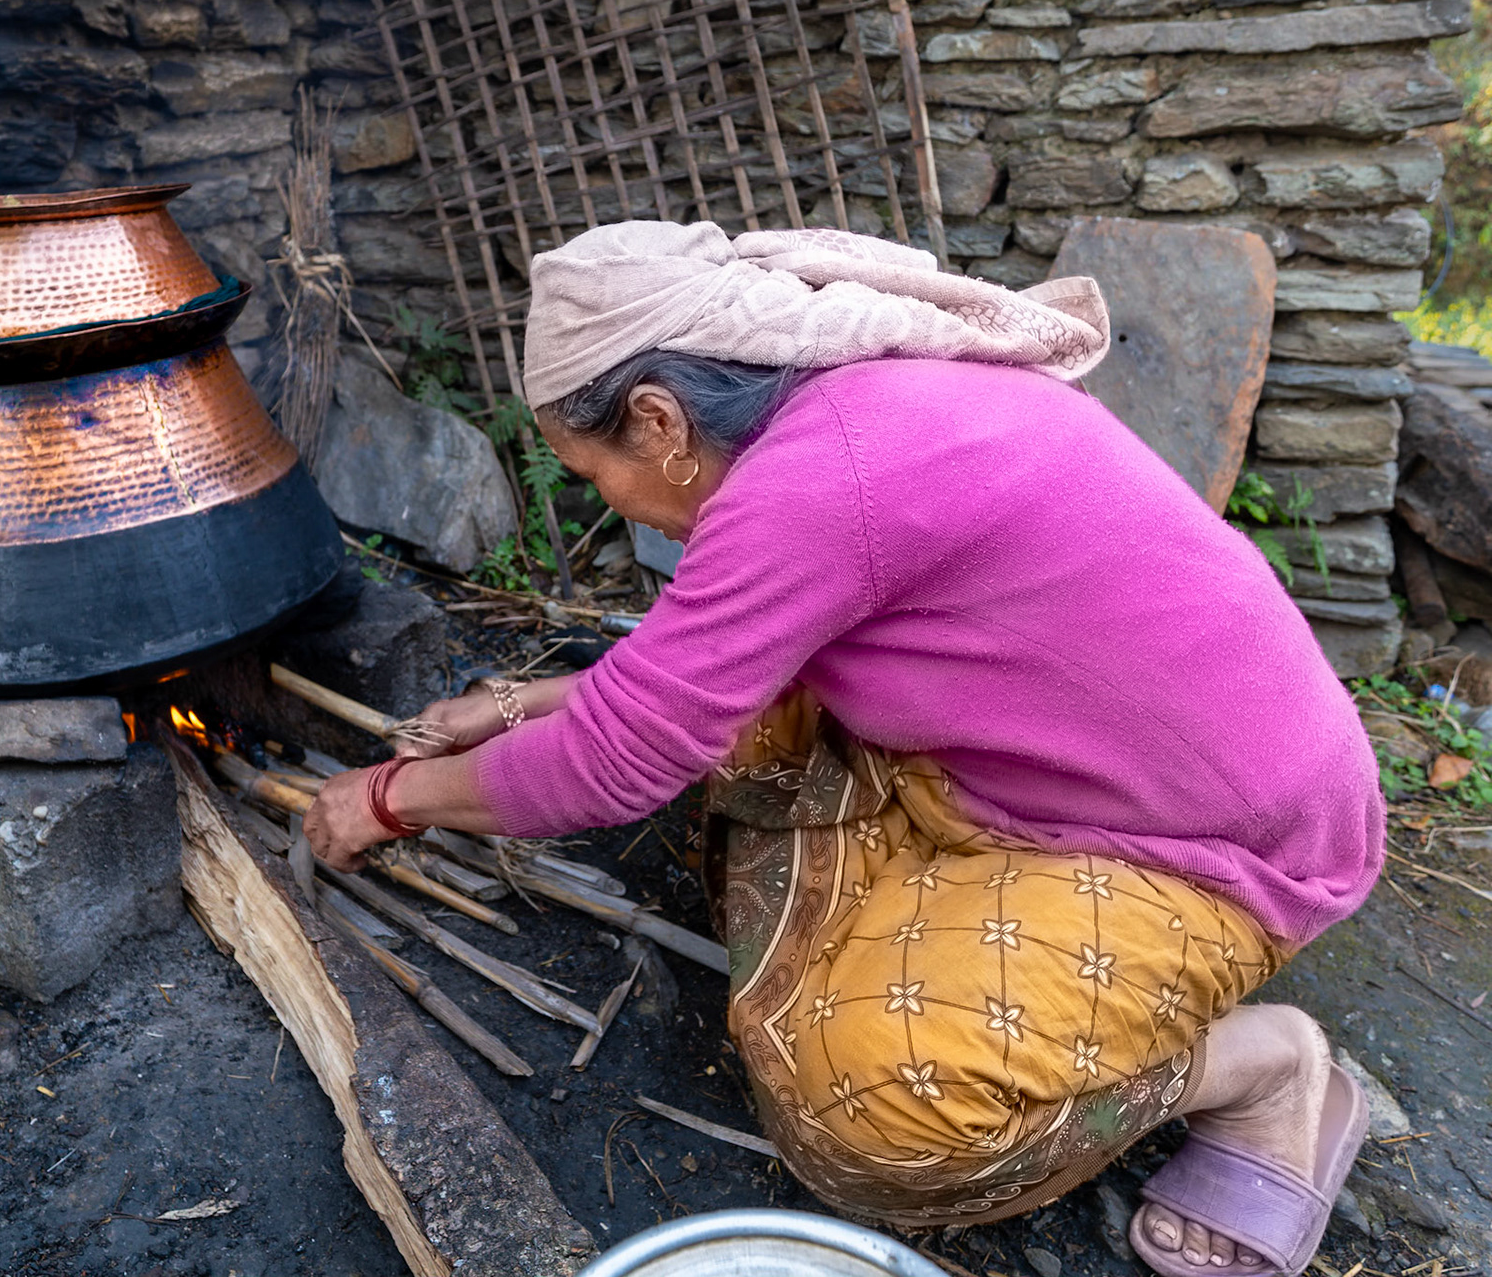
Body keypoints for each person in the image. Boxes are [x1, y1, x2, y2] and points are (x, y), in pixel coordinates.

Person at [302, 221, 1381, 1277]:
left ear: (659, 418)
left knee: (873, 1122)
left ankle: (1264, 1066)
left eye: (593, 474)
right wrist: (527, 702)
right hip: (1090, 764)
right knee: (755, 731)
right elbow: (699, 671)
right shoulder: (845, 407)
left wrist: (389, 798)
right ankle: (945, 936)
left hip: (1222, 837)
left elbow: (622, 756)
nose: (606, 503)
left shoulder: (823, 480)